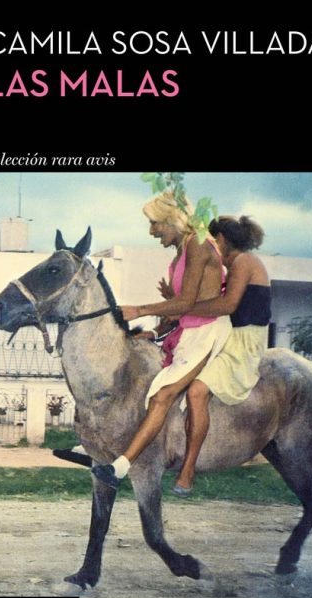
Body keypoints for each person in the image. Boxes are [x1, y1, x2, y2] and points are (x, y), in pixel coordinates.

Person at [91, 192, 232, 489]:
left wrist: (139, 310)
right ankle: (109, 449)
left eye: (155, 223)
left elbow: (186, 303)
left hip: (207, 333)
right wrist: (156, 332)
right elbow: (182, 310)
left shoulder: (197, 245)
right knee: (150, 392)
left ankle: (122, 467)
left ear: (172, 219)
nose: (152, 231)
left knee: (162, 396)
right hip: (189, 333)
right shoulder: (181, 251)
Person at [174, 215, 271, 495]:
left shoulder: (244, 262)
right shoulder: (232, 265)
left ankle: (188, 470)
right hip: (228, 335)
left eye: (211, 240)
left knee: (197, 391)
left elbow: (228, 305)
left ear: (221, 239)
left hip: (243, 342)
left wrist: (183, 308)